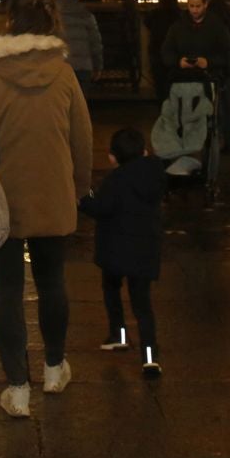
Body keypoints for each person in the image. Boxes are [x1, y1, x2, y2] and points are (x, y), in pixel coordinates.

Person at [0, 0, 93, 419]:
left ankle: (17, 387)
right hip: (52, 191)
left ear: (10, 24)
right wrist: (79, 186)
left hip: (2, 197)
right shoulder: (63, 74)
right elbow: (82, 137)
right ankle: (54, 366)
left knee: (6, 290)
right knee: (52, 282)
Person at [78, 125, 166, 379]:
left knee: (112, 289)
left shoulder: (116, 180)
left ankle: (119, 333)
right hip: (145, 252)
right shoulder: (155, 174)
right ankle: (150, 358)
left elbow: (101, 207)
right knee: (143, 305)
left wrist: (84, 198)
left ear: (113, 157)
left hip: (116, 252)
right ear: (144, 150)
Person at [162, 0, 230, 149]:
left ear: (206, 4)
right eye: (191, 6)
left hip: (208, 78)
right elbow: (166, 52)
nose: (194, 10)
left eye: (198, 6)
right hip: (184, 78)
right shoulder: (178, 27)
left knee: (212, 113)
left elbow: (227, 55)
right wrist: (178, 62)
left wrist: (207, 62)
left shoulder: (217, 26)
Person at [203, 0, 230, 153]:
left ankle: (217, 137)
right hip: (228, 63)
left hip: (215, 64)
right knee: (228, 103)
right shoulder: (227, 11)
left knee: (216, 104)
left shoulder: (211, 14)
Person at [55, 0, 103, 102]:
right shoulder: (86, 15)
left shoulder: (52, 15)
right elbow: (95, 43)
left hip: (60, 66)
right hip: (83, 66)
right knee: (80, 103)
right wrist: (97, 66)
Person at [144, 0, 182, 101]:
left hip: (157, 53)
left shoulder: (155, 14)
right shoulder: (178, 15)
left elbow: (147, 23)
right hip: (174, 54)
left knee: (160, 85)